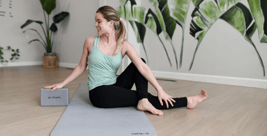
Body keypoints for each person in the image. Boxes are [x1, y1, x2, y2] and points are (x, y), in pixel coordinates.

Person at [44, 6, 207, 116]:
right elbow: (81, 67)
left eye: (98, 21)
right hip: (99, 93)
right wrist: (61, 84)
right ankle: (186, 101)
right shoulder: (89, 42)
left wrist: (160, 88)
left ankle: (144, 100)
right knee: (142, 96)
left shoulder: (123, 45)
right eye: (95, 21)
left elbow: (142, 67)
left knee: (139, 62)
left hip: (115, 85)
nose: (95, 25)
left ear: (110, 23)